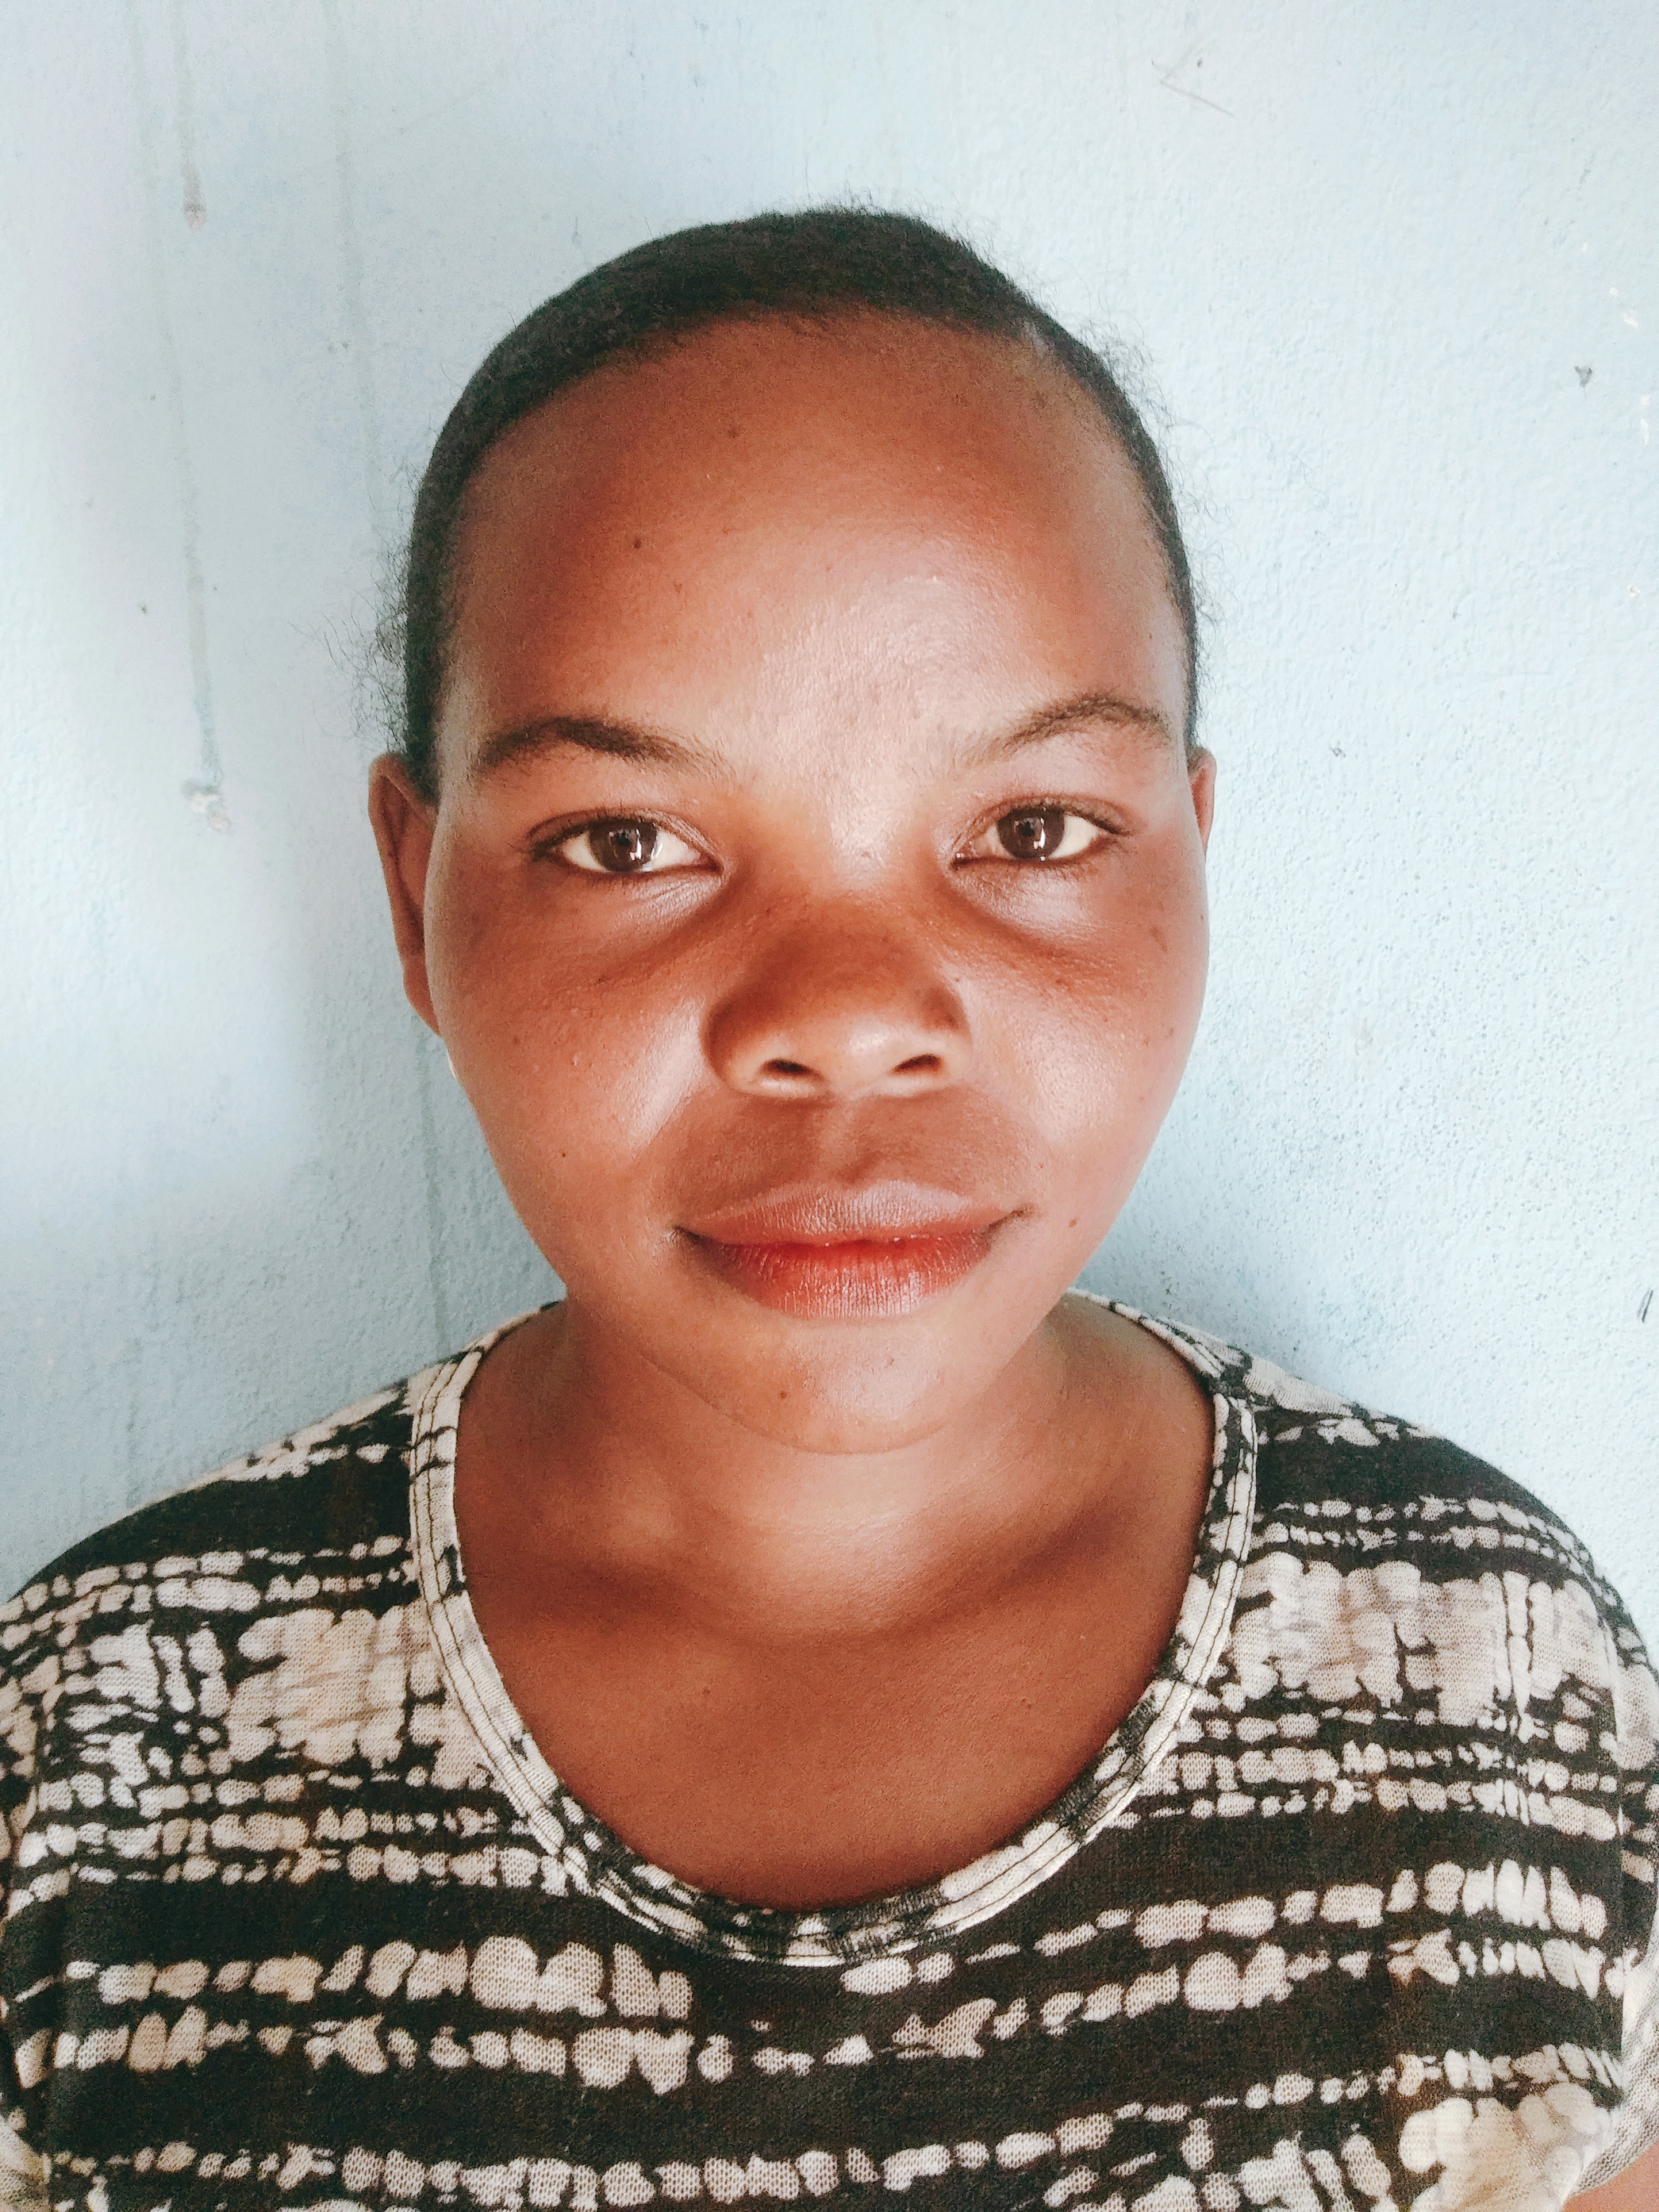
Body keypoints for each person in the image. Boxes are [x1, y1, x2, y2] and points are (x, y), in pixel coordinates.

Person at [1, 209, 1654, 2212]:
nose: (850, 1019)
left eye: (1033, 829)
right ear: (413, 896)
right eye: (629, 842)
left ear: (1192, 856)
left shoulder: (1485, 1679)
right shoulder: (100, 1756)